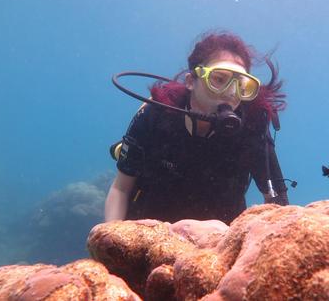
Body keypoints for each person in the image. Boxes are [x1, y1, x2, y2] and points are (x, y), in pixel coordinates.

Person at [104, 31, 289, 225]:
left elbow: (277, 202)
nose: (231, 94)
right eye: (219, 79)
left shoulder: (251, 126)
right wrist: (110, 242)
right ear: (191, 81)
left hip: (219, 244)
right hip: (149, 233)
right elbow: (121, 189)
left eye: (241, 85)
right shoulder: (156, 114)